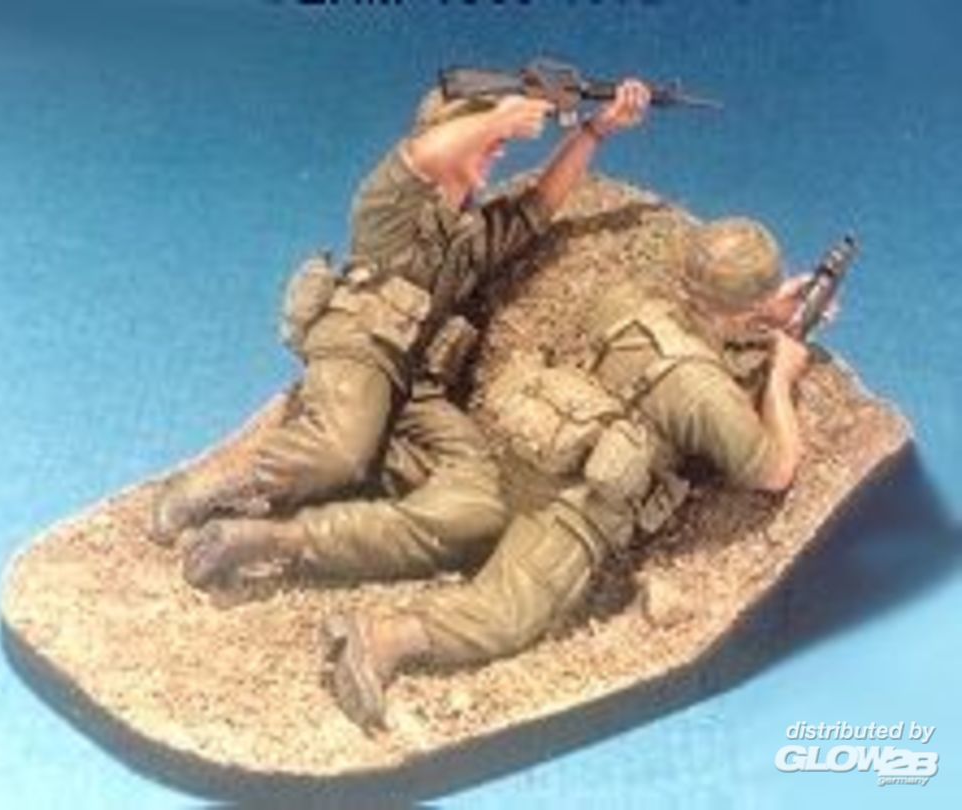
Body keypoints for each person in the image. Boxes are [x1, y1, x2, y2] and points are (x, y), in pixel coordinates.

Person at [322, 217, 819, 730]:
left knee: (428, 524)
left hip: (529, 444)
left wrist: (758, 315)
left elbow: (694, 330)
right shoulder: (702, 393)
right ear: (748, 308)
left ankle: (292, 540)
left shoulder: (630, 301)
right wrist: (780, 377)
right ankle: (384, 638)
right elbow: (775, 469)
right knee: (507, 614)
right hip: (578, 504)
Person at [149, 79, 654, 548]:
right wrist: (498, 119)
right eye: (486, 139)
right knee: (341, 452)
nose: (499, 150)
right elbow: (420, 156)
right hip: (362, 351)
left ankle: (279, 528)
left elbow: (538, 206)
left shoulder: (472, 236)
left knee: (482, 492)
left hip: (416, 386)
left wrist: (596, 130)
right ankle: (199, 492)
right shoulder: (387, 202)